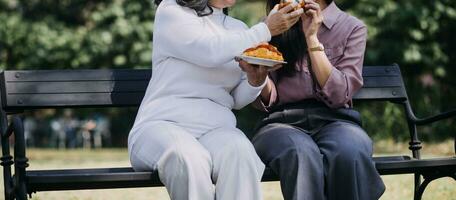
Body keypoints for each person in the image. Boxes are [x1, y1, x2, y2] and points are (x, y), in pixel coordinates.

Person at [127, 0, 303, 199]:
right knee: (188, 156)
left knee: (241, 153)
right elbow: (209, 51)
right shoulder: (172, 11)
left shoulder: (239, 29)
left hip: (216, 130)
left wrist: (255, 80)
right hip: (162, 125)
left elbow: (236, 99)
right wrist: (266, 29)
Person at [242, 0, 386, 199]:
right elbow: (267, 102)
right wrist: (259, 77)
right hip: (279, 123)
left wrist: (312, 38)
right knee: (300, 153)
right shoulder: (271, 24)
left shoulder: (352, 28)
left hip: (336, 120)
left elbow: (339, 95)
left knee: (350, 151)